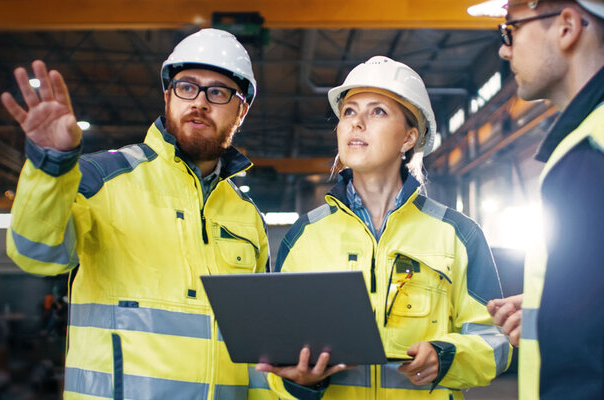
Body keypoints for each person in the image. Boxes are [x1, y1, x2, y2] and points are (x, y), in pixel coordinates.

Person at [1, 28, 274, 399]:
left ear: (241, 111)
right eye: (187, 87)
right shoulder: (100, 179)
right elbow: (34, 253)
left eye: (218, 92)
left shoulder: (246, 217)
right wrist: (51, 167)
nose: (200, 102)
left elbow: (258, 345)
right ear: (167, 96)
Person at [255, 56, 511, 400]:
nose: (356, 123)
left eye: (377, 112)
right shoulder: (303, 236)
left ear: (408, 138)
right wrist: (301, 381)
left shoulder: (457, 234)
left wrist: (447, 357)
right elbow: (277, 351)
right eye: (348, 111)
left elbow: (494, 341)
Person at [467, 0, 604, 398]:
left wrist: (572, 318)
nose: (504, 49)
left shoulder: (588, 153)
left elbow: (582, 369)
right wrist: (558, 308)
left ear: (565, 27)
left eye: (511, 30)